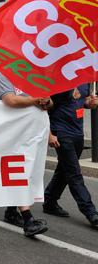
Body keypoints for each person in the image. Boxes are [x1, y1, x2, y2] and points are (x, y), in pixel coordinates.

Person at [0, 71, 50, 237]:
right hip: (13, 134)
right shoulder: (0, 76)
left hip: (32, 134)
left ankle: (11, 211)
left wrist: (46, 101)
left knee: (26, 172)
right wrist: (36, 100)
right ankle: (28, 220)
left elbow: (47, 103)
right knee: (20, 172)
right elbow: (11, 100)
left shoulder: (29, 76)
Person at [43, 84, 98, 228]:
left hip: (77, 132)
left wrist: (90, 103)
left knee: (64, 170)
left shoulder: (85, 80)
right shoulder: (59, 80)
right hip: (61, 132)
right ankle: (91, 212)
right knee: (74, 173)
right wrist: (49, 134)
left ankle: (49, 201)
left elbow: (82, 102)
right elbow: (45, 107)